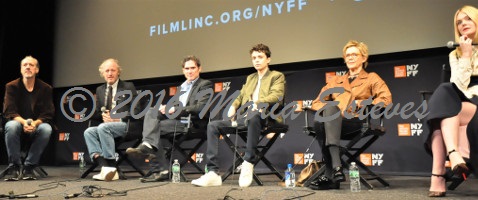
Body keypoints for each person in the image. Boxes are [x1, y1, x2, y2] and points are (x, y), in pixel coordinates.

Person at [191, 43, 286, 187]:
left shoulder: (276, 76)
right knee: (213, 125)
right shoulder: (250, 78)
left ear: (268, 59)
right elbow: (241, 96)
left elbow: (277, 96)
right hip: (248, 118)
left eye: (260, 57)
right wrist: (234, 106)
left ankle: (248, 162)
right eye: (254, 57)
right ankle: (212, 173)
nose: (257, 60)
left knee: (254, 114)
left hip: (268, 118)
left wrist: (258, 102)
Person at [310, 40, 392, 188]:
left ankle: (331, 172)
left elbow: (386, 99)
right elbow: (316, 103)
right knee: (324, 114)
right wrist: (333, 108)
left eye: (354, 54)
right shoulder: (336, 80)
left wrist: (362, 103)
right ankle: (336, 170)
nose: (350, 58)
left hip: (355, 122)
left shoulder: (371, 77)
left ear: (364, 58)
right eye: (347, 55)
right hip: (332, 123)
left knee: (323, 118)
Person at [126, 55, 212, 182]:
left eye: (193, 68)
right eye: (187, 68)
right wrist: (166, 107)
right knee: (152, 113)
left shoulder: (205, 85)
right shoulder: (181, 87)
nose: (190, 71)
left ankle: (160, 169)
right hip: (177, 121)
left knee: (153, 129)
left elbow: (201, 108)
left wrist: (177, 109)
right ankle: (150, 149)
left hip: (192, 123)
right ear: (183, 70)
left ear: (199, 68)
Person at [425, 5, 478, 197]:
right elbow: (459, 87)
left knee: (442, 110)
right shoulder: (454, 54)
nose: (463, 24)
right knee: (446, 95)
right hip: (465, 103)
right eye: (459, 22)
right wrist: (465, 55)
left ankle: (438, 175)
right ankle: (455, 155)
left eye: (467, 19)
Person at [83, 58, 141, 181]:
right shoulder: (100, 90)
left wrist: (118, 118)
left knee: (103, 128)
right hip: (107, 127)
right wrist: (102, 116)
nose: (110, 73)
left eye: (113, 70)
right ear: (103, 73)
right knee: (89, 132)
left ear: (118, 72)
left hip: (126, 125)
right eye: (107, 71)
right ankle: (105, 166)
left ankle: (110, 167)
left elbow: (136, 110)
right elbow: (98, 112)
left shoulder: (128, 86)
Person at [2, 56, 54, 181]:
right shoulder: (11, 86)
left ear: (37, 70)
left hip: (37, 124)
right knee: (11, 126)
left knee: (46, 128)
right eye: (25, 65)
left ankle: (29, 166)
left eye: (31, 65)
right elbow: (9, 111)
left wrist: (35, 123)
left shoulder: (46, 88)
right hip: (17, 122)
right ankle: (14, 166)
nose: (28, 67)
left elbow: (48, 113)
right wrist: (24, 122)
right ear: (21, 69)